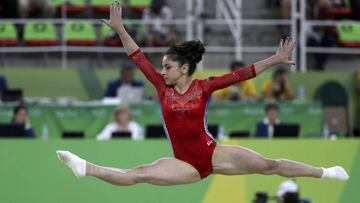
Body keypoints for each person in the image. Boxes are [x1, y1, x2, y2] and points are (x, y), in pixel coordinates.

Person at [57, 3, 349, 186]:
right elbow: (138, 56)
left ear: (184, 68)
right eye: (163, 67)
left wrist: (274, 60)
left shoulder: (203, 87)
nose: (163, 71)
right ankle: (86, 168)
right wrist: (120, 29)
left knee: (269, 165)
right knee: (139, 173)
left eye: (168, 67)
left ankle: (325, 172)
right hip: (183, 164)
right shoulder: (161, 87)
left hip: (213, 153)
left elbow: (241, 74)